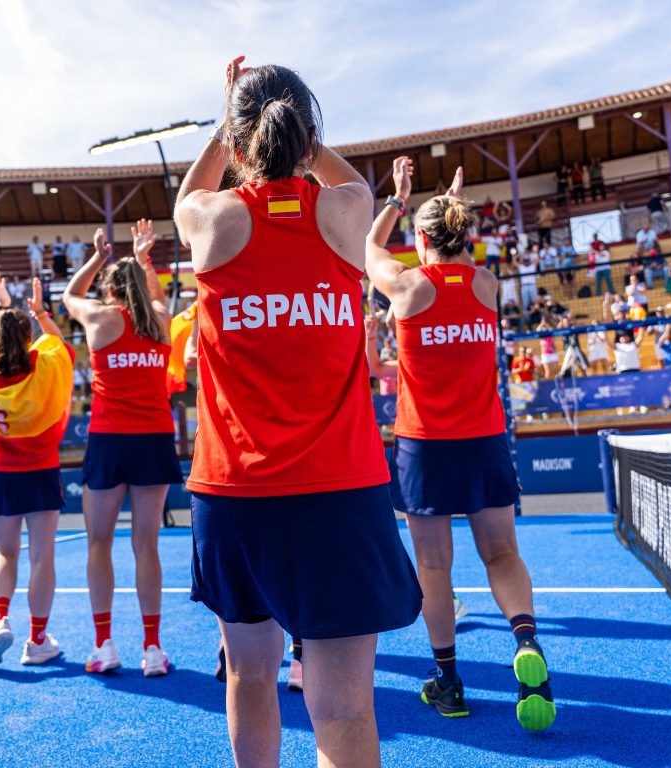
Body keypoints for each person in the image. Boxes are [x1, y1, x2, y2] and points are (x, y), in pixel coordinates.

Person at [173, 57, 422, 767]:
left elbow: (188, 195)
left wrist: (226, 122)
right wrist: (307, 146)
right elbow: (353, 182)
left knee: (250, 678)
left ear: (238, 139)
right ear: (307, 134)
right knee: (344, 709)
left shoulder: (213, 220)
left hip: (235, 496)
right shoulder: (345, 214)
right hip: (339, 492)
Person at [366, 155, 554, 731]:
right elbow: (457, 262)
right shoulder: (487, 285)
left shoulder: (406, 287)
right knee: (502, 554)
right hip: (485, 439)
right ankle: (526, 640)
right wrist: (449, 206)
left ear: (421, 239)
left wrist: (398, 198)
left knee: (434, 566)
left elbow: (370, 248)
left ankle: (448, 682)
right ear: (464, 236)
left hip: (425, 446)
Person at [62, 218, 182, 679]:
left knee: (98, 543)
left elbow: (70, 294)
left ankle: (104, 644)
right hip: (153, 439)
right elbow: (157, 298)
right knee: (146, 545)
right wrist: (144, 258)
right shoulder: (160, 321)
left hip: (110, 440)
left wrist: (98, 256)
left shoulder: (100, 318)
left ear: (110, 289)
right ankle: (152, 648)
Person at [0, 269, 73, 667]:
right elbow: (59, 345)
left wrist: (3, 307)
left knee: (4, 552)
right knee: (41, 557)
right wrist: (40, 313)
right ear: (30, 339)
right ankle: (38, 639)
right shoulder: (45, 364)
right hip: (41, 470)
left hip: (0, 472)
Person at [602, 294, 644, 373]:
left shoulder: (630, 321)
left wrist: (641, 321)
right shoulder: (616, 322)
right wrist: (605, 307)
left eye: (624, 312)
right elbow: (607, 319)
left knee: (633, 362)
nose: (622, 314)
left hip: (631, 346)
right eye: (621, 312)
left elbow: (640, 331)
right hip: (620, 347)